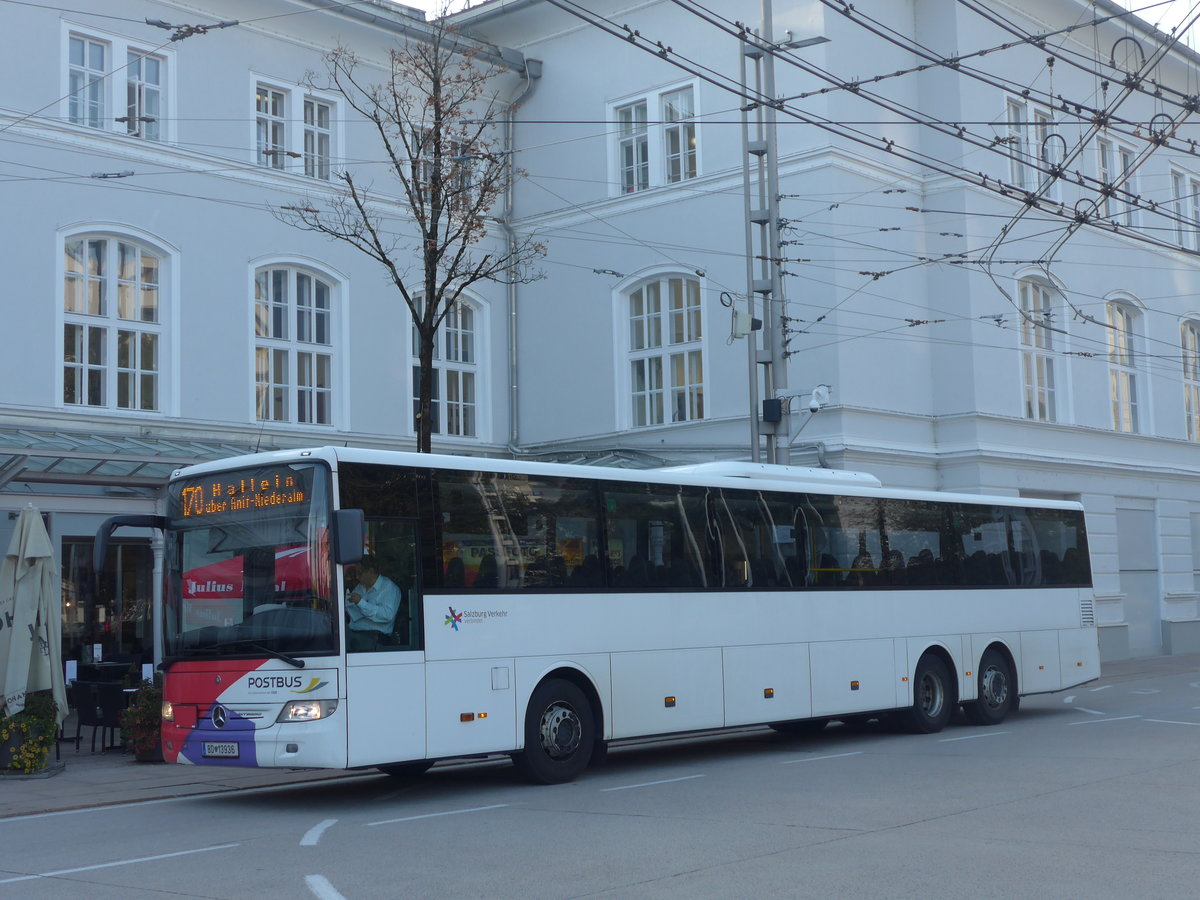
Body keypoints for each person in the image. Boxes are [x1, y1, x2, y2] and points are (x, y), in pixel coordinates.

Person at [345, 555, 402, 652]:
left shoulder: (389, 588)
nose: (357, 577)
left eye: (360, 573)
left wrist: (361, 603)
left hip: (374, 639)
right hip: (354, 634)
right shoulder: (361, 587)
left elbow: (387, 615)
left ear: (370, 572)